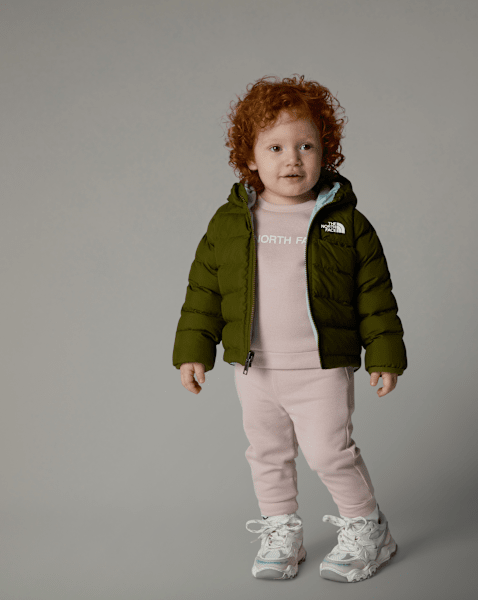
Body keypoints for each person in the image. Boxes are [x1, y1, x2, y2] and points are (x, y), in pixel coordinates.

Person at [172, 74, 407, 583]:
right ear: (250, 158)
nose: (292, 159)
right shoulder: (231, 223)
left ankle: (369, 528)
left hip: (321, 369)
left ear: (326, 152)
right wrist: (194, 350)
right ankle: (282, 533)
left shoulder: (345, 222)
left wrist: (385, 355)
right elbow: (203, 291)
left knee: (330, 453)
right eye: (275, 147)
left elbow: (375, 294)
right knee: (267, 454)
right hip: (255, 369)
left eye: (306, 146)